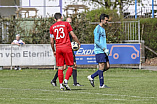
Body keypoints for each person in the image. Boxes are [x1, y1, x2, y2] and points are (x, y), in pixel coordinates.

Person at [49, 13, 81, 91]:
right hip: (67, 46)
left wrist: (54, 50)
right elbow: (73, 36)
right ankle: (65, 81)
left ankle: (61, 85)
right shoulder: (66, 24)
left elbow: (52, 41)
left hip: (58, 48)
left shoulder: (52, 27)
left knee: (60, 67)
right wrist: (78, 43)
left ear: (54, 19)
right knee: (71, 65)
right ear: (62, 17)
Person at [87, 14, 110, 88]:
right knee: (101, 66)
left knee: (107, 66)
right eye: (106, 20)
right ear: (102, 20)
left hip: (103, 51)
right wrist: (104, 48)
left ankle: (92, 76)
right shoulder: (97, 28)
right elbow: (96, 41)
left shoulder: (103, 29)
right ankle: (101, 84)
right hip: (99, 51)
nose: (107, 22)